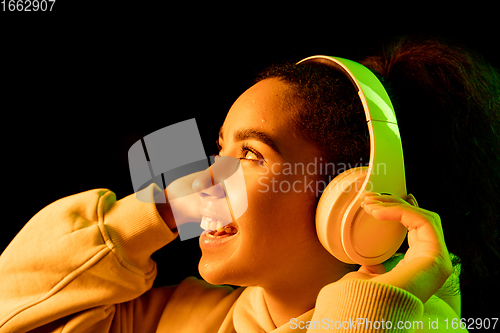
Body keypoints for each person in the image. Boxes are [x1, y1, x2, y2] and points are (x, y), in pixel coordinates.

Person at [0, 36, 498, 332]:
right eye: (220, 150)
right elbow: (17, 307)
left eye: (251, 155)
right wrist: (157, 211)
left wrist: (372, 312)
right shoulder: (176, 316)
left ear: (349, 199)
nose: (208, 179)